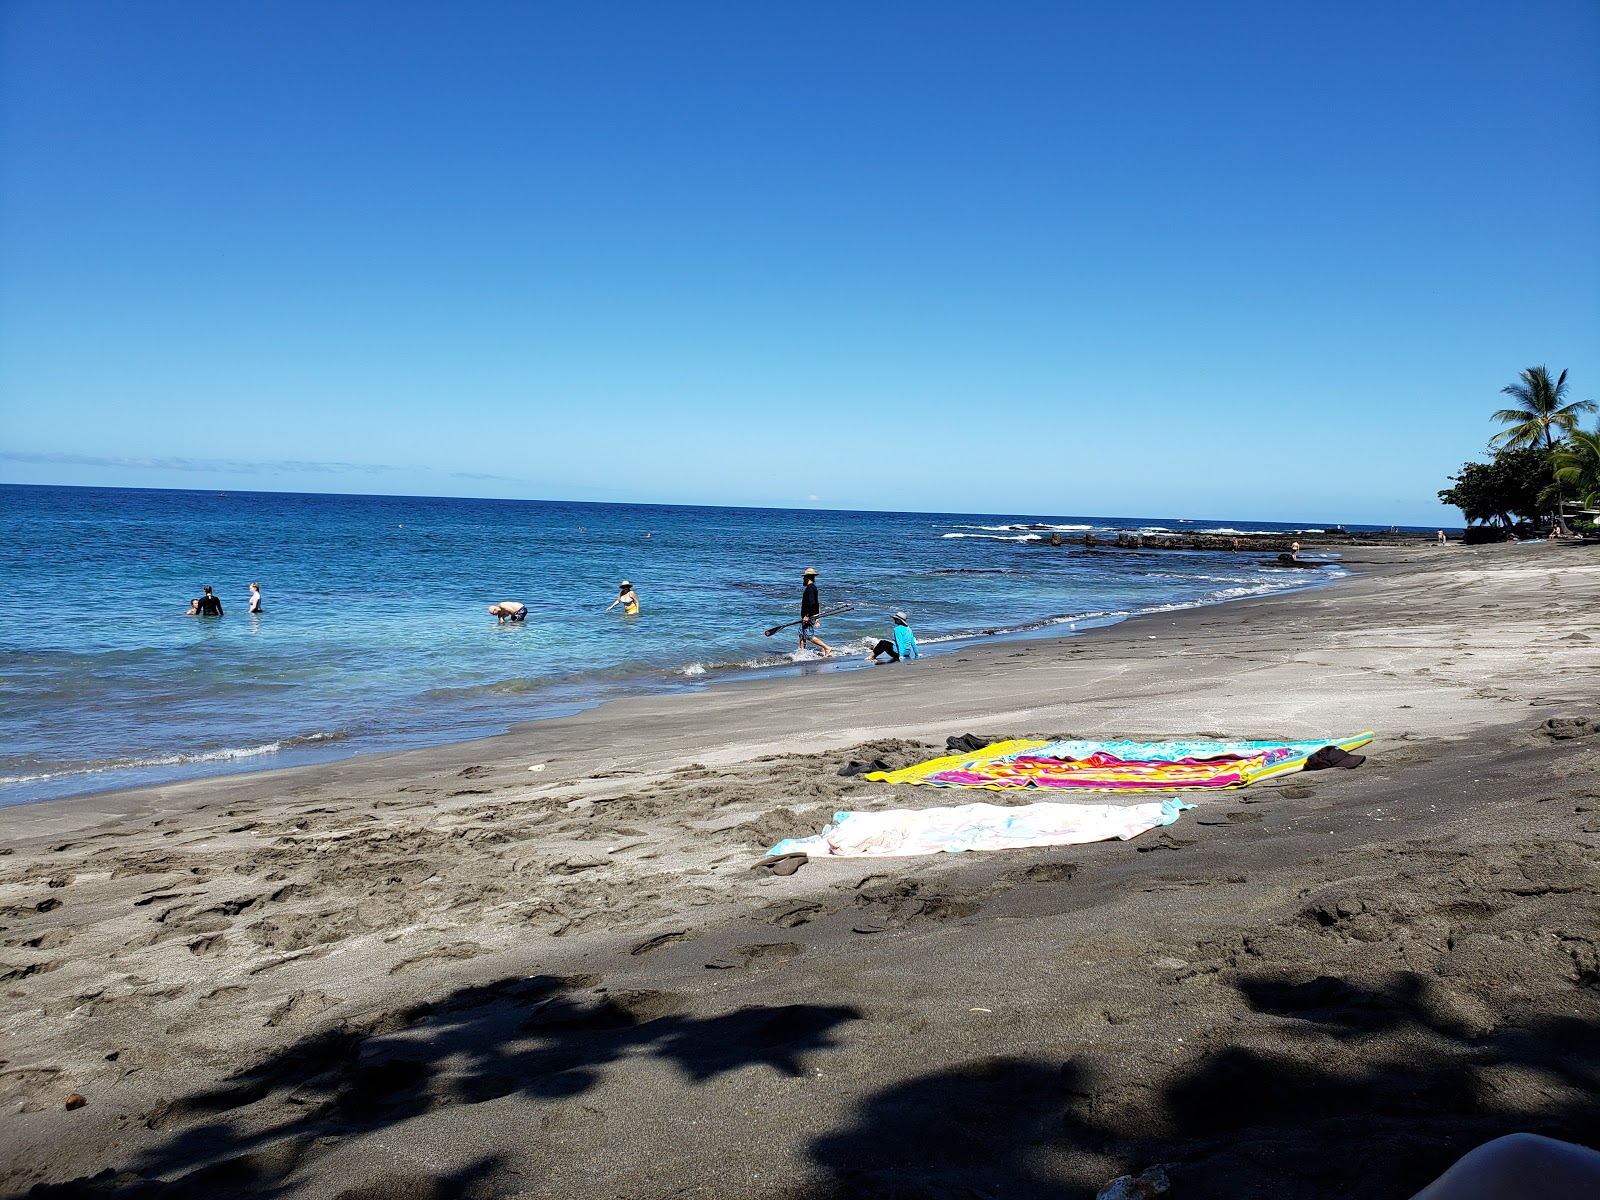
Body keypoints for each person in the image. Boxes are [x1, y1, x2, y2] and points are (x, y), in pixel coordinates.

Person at [798, 567, 832, 657]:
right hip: (810, 616)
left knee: (809, 636)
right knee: (801, 634)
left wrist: (807, 615)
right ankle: (801, 653)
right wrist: (817, 618)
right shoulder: (813, 587)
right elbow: (817, 604)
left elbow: (812, 603)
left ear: (807, 578)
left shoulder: (810, 588)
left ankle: (827, 648)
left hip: (808, 616)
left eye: (804, 578)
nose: (803, 579)